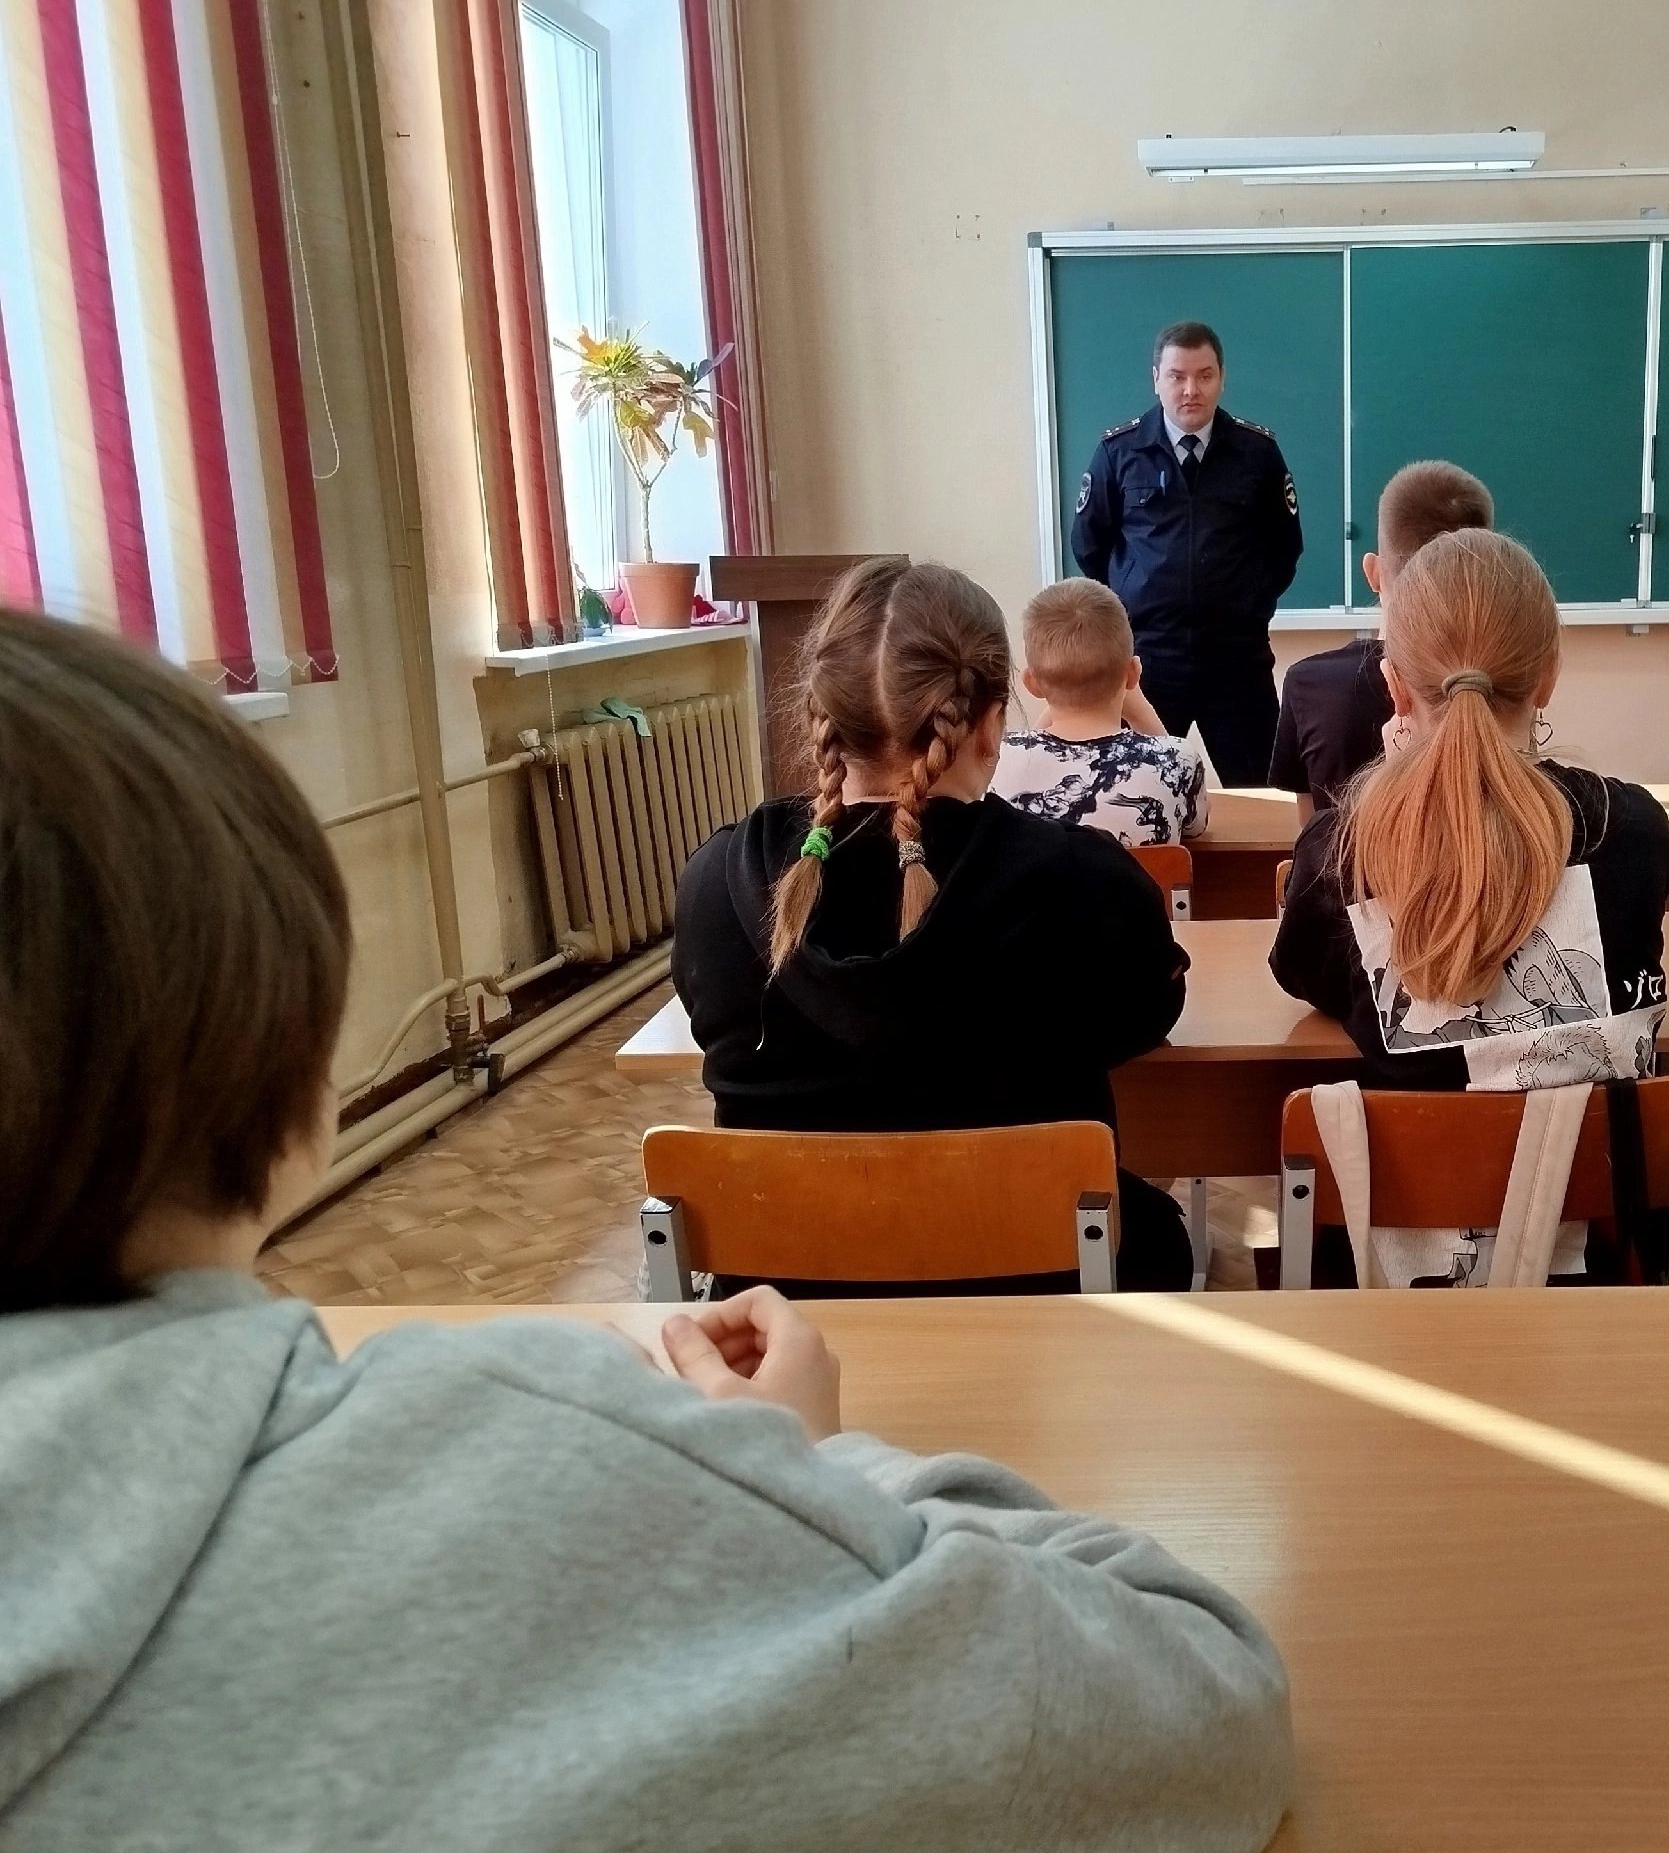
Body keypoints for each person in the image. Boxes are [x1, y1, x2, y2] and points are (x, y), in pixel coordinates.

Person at [0, 605, 1292, 1851]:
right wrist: (795, 1463)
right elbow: (1200, 1710)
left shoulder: (724, 876)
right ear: (299, 1086)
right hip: (951, 1326)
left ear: (817, 716)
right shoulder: (545, 1451)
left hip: (775, 1271)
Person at [673, 558, 1195, 1292]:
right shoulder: (1086, 881)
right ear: (992, 724)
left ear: (823, 718)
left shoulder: (718, 883)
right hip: (1041, 1296)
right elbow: (1145, 1016)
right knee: (1157, 1233)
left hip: (788, 1306)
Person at [1270, 529, 1669, 1287]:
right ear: (1548, 676)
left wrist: (1396, 792)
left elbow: (1303, 973)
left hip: (1390, 1287)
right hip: (1599, 1272)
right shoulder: (1632, 830)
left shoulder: (1342, 849)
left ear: (1394, 687)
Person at [1069, 320, 1303, 788]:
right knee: (1133, 794)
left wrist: (1247, 605)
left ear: (1222, 377)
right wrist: (1132, 602)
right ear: (1156, 378)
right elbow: (1088, 546)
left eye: (1204, 375)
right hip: (1147, 660)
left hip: (1236, 659)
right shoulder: (1119, 452)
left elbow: (1284, 546)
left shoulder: (1257, 453)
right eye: (1177, 376)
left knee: (1262, 796)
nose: (1191, 390)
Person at [1270, 459, 1494, 821]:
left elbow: (1308, 834)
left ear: (1373, 572)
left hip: (1344, 862)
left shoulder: (1309, 685)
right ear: (1484, 576)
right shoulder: (1498, 682)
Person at [992, 579, 1206, 847]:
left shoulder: (997, 758)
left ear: (1031, 683)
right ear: (1133, 674)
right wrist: (1142, 713)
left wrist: (1060, 690)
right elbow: (1195, 826)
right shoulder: (1179, 759)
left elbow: (1033, 750)